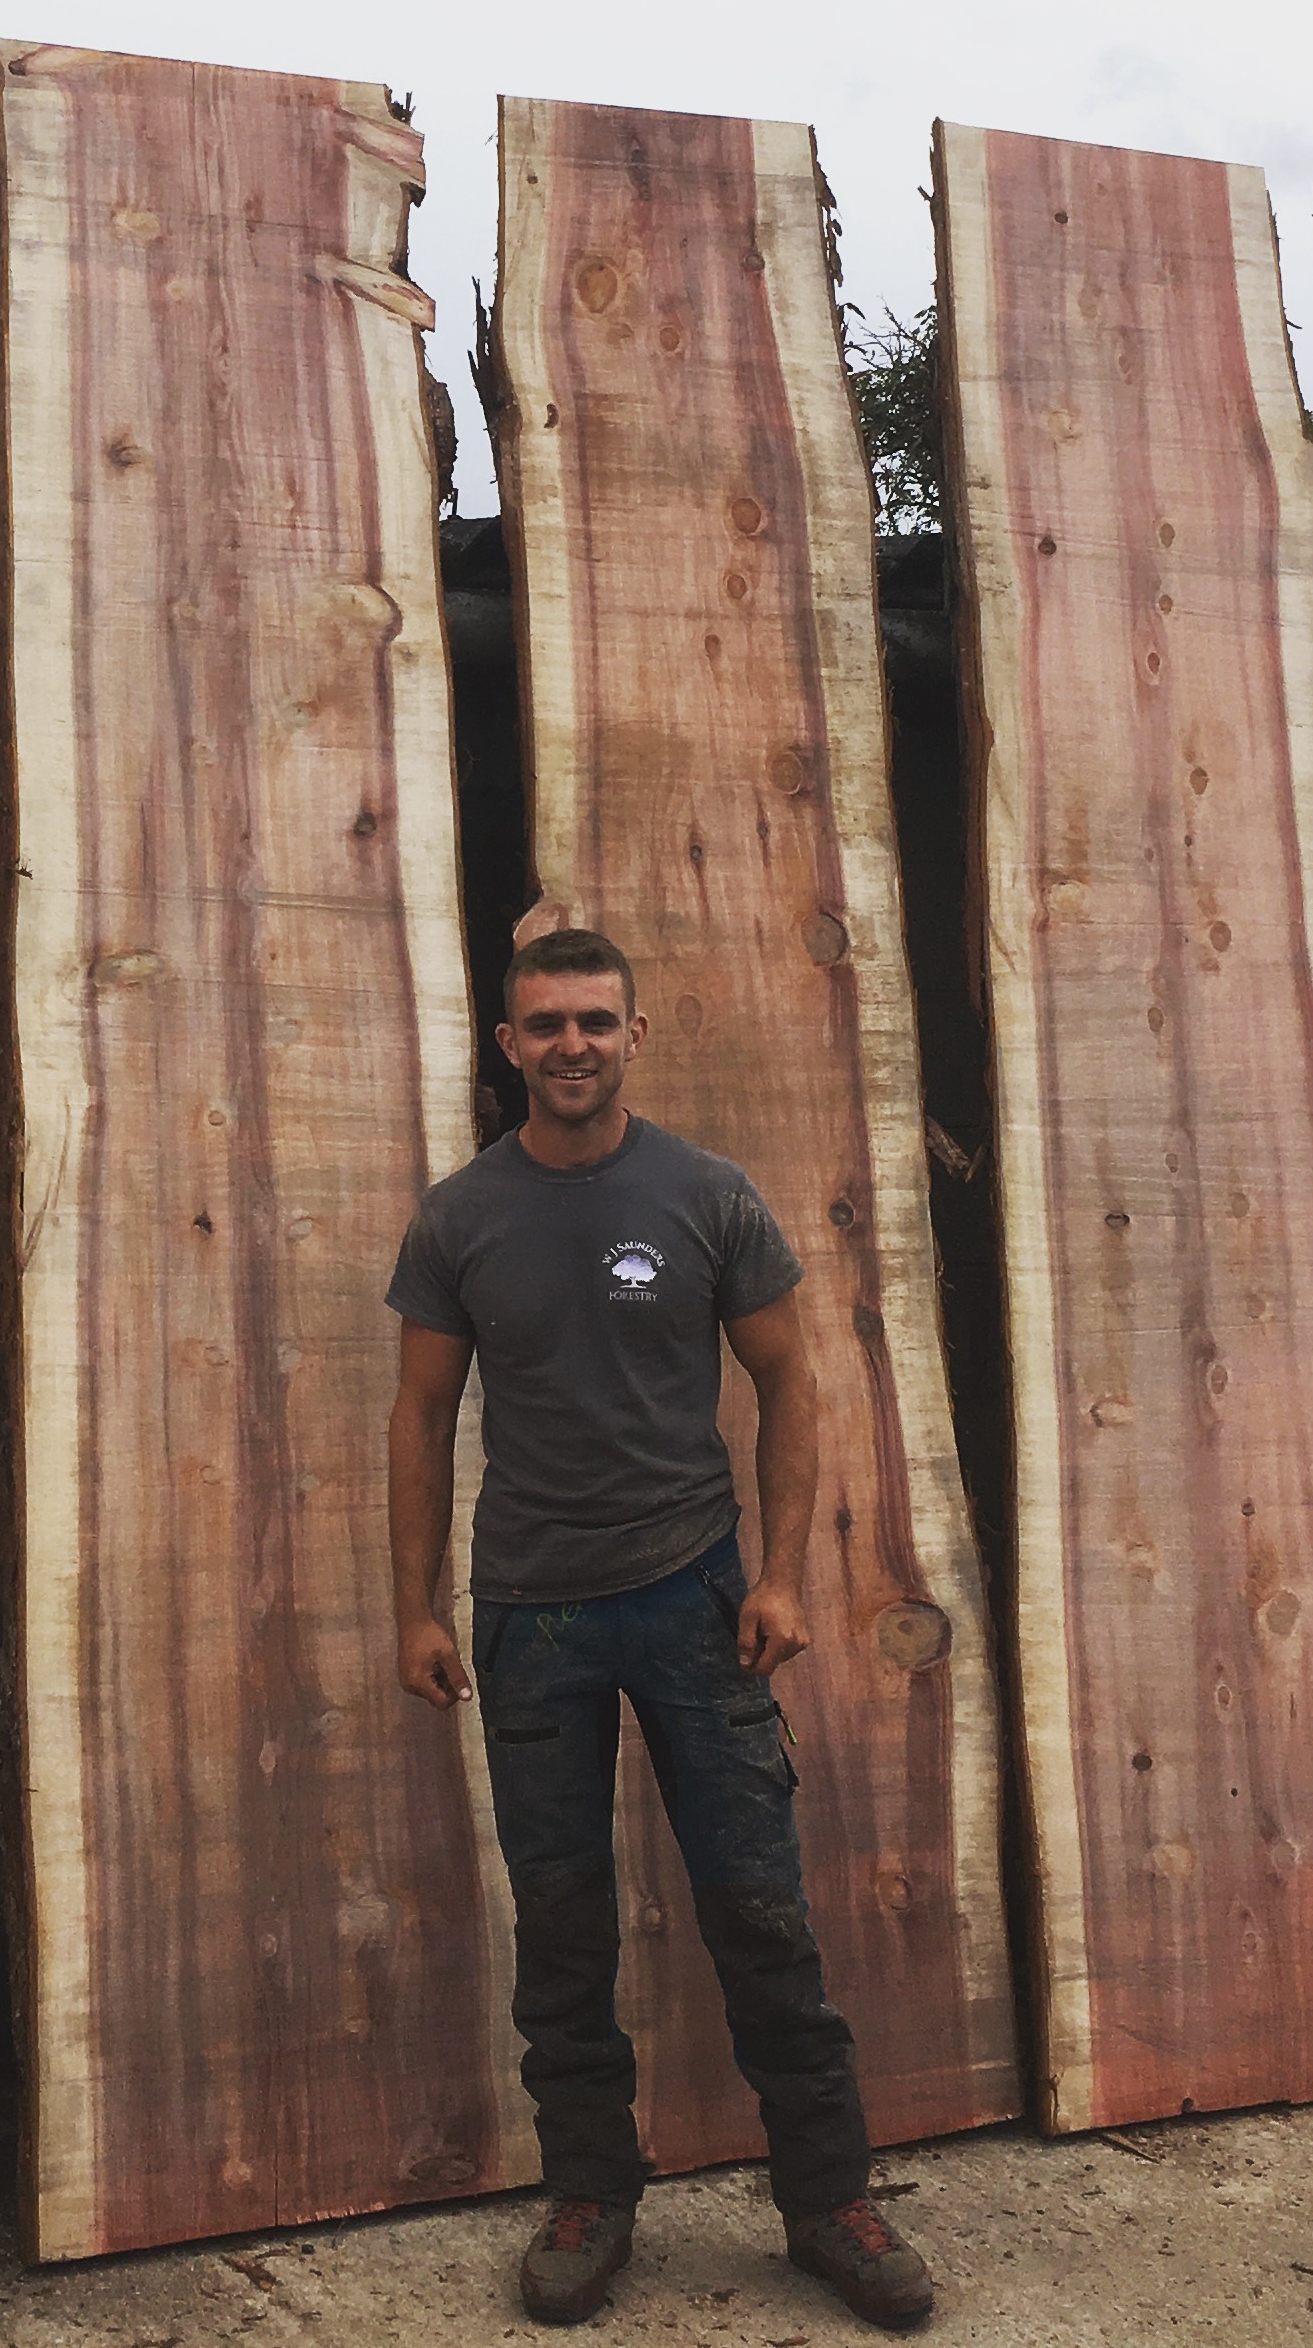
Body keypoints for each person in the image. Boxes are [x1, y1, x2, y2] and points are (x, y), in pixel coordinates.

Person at [385, 925, 934, 2332]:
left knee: (759, 1907)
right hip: (530, 1618)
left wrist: (785, 1576)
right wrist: (416, 1605)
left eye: (596, 1021)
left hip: (694, 1600)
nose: (572, 1043)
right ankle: (589, 2194)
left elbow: (793, 1382)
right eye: (546, 1023)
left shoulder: (706, 1195)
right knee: (563, 1921)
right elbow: (420, 1416)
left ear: (636, 1036)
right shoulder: (459, 1218)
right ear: (507, 1046)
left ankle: (828, 2201)